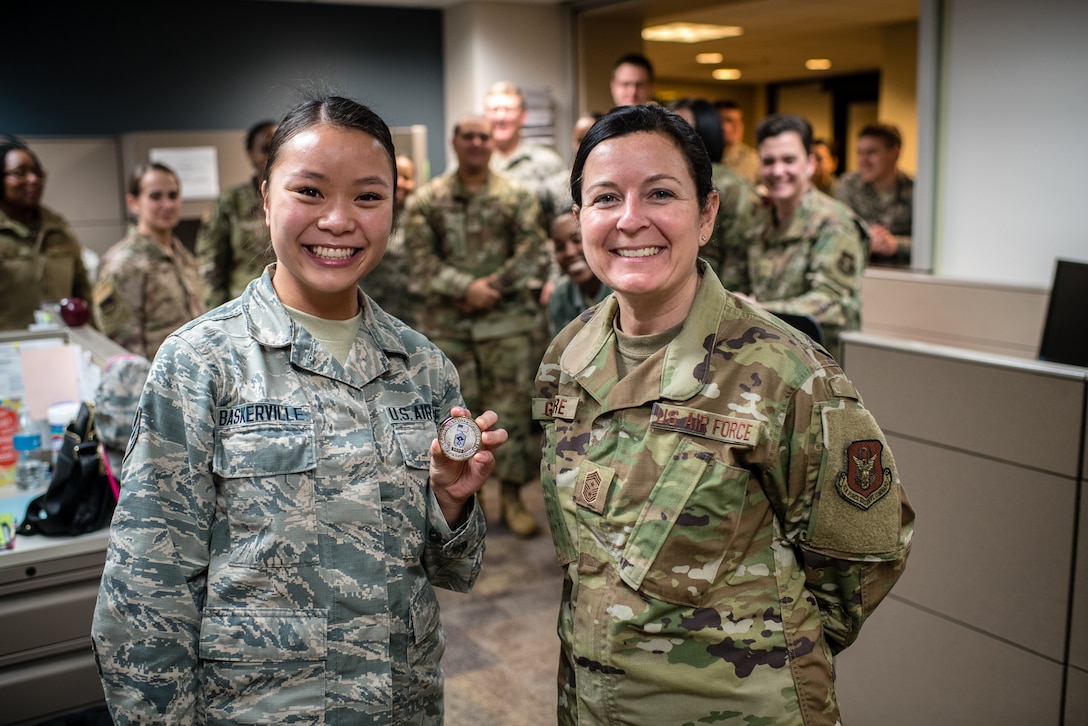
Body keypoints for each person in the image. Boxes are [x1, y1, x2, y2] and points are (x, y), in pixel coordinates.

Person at [91, 95, 507, 725]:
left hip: (401, 705)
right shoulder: (201, 363)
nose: (339, 221)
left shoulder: (422, 366)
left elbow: (454, 571)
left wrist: (451, 504)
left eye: (369, 197)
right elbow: (145, 591)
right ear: (265, 199)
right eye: (310, 192)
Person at [533, 103, 913, 726]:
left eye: (660, 193)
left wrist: (767, 647)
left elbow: (865, 555)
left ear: (706, 214)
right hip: (594, 703)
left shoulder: (785, 371)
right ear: (579, 220)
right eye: (605, 198)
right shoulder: (566, 358)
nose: (631, 220)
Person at [404, 116, 548, 538]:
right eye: (467, 136)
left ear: (491, 143)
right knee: (457, 418)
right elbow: (419, 259)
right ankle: (473, 501)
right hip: (450, 328)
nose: (476, 143)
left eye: (483, 136)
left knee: (514, 417)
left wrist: (491, 287)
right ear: (454, 142)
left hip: (506, 326)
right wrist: (465, 287)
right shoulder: (428, 201)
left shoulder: (515, 196)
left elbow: (532, 251)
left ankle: (513, 498)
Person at [744, 113, 869, 359]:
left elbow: (831, 302)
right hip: (771, 357)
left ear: (810, 163)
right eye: (769, 161)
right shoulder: (759, 222)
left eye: (789, 160)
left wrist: (756, 310)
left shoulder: (834, 222)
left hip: (821, 367)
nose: (778, 171)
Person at [93, 162, 207, 360]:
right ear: (133, 203)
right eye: (155, 196)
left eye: (173, 195)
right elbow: (123, 345)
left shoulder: (182, 256)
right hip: (157, 382)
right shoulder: (123, 264)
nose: (168, 204)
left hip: (193, 375)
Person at [0, 135, 94, 331]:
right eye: (20, 173)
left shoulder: (60, 231)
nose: (33, 179)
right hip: (7, 352)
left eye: (37, 172)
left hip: (60, 349)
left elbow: (83, 295)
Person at [670, 97, 764, 292]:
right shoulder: (664, 178)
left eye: (684, 130)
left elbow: (738, 258)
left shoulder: (732, 186)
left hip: (710, 293)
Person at [195, 119, 278, 308]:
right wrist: (217, 316)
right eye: (265, 149)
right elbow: (210, 264)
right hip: (245, 306)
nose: (273, 156)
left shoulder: (302, 197)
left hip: (292, 306)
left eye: (278, 147)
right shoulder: (230, 202)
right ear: (251, 155)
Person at [484, 81, 571, 226]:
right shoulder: (471, 164)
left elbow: (567, 218)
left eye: (508, 109)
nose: (501, 117)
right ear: (485, 115)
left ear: (523, 116)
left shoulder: (547, 162)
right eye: (494, 110)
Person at [835, 122, 913, 266]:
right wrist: (866, 239)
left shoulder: (915, 191)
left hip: (906, 277)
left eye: (871, 152)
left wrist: (896, 245)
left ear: (895, 153)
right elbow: (837, 234)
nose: (863, 161)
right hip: (857, 273)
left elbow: (932, 246)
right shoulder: (849, 185)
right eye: (859, 152)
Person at [365, 153, 423, 327]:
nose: (401, 183)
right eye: (395, 175)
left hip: (414, 311)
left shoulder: (422, 214)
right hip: (373, 309)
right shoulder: (367, 212)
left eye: (407, 177)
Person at [546, 210, 609, 336]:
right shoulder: (561, 295)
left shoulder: (623, 291)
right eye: (559, 247)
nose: (569, 252)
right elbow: (560, 351)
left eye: (577, 240)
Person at [715, 99, 759, 183]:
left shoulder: (753, 159)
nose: (737, 126)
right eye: (729, 120)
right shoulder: (699, 156)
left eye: (739, 121)